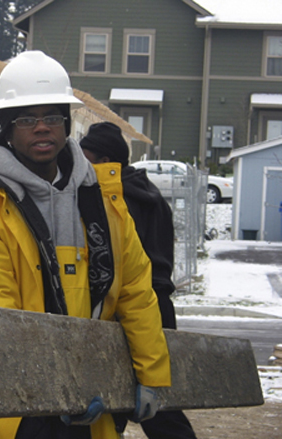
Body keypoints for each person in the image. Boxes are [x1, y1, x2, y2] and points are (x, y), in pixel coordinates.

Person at [0, 51, 171, 439]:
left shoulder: (104, 202)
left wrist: (152, 375)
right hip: (10, 408)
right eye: (27, 119)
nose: (41, 128)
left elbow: (135, 292)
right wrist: (61, 388)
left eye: (52, 117)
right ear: (7, 128)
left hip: (85, 404)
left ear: (68, 124)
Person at [80, 122, 197, 439]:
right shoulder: (150, 194)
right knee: (156, 405)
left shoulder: (118, 201)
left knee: (132, 401)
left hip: (134, 310)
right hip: (159, 305)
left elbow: (118, 266)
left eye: (86, 157)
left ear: (105, 161)